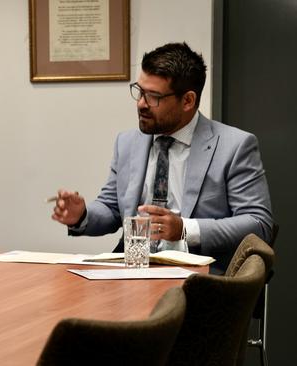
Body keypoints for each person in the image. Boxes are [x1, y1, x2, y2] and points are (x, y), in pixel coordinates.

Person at [51, 42, 273, 273]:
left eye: (154, 97)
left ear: (187, 100)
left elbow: (258, 223)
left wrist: (185, 229)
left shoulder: (234, 146)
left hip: (196, 279)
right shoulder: (128, 143)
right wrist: (82, 215)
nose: (141, 104)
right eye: (140, 91)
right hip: (130, 271)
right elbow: (113, 209)